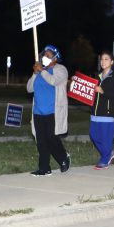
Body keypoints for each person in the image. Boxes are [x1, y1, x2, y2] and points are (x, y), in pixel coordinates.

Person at [26, 44, 71, 176]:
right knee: (41, 141)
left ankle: (63, 157)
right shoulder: (39, 71)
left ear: (55, 58)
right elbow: (29, 88)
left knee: (51, 138)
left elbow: (53, 81)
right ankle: (44, 168)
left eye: (48, 55)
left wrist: (42, 71)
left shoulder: (61, 70)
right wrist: (35, 74)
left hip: (53, 111)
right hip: (38, 112)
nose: (44, 57)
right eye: (44, 55)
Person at [89, 51, 114, 169]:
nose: (103, 62)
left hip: (107, 115)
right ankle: (110, 153)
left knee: (106, 139)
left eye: (106, 59)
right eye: (102, 59)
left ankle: (105, 159)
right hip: (95, 113)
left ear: (112, 62)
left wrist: (103, 91)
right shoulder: (96, 76)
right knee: (93, 135)